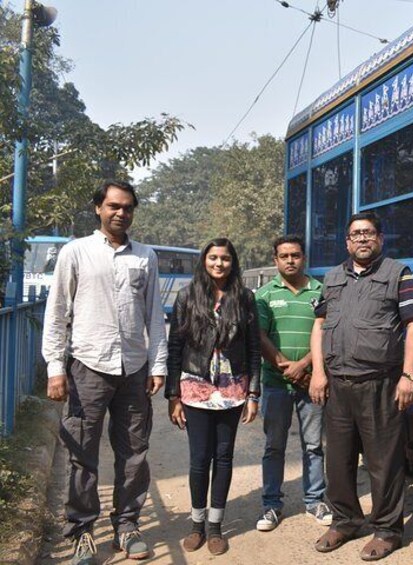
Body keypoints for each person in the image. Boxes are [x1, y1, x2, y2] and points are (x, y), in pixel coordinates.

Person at [42, 180, 167, 564]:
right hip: (87, 368)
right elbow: (57, 312)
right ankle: (81, 531)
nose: (121, 213)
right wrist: (55, 368)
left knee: (134, 453)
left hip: (132, 368)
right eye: (113, 206)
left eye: (128, 207)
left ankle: (126, 525)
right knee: (82, 452)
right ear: (98, 207)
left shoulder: (145, 256)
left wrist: (157, 364)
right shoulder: (76, 251)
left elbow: (154, 316)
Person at [310, 212, 413, 561]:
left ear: (380, 239)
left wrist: (408, 376)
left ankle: (387, 530)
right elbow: (319, 325)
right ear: (347, 242)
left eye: (368, 233)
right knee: (338, 461)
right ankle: (345, 521)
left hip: (379, 384)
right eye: (355, 234)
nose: (362, 239)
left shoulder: (398, 274)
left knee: (384, 463)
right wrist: (318, 371)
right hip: (338, 386)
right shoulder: (331, 278)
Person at [164, 238, 261, 556]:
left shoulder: (245, 298)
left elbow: (253, 348)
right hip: (195, 388)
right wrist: (173, 395)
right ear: (204, 261)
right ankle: (197, 526)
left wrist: (253, 393)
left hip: (233, 389)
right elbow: (175, 348)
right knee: (198, 459)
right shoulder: (187, 296)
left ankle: (217, 527)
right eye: (213, 258)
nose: (219, 264)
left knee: (224, 457)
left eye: (226, 259)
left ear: (233, 263)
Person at [254, 235, 331, 531]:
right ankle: (271, 505)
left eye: (295, 255)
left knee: (313, 445)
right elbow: (260, 337)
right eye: (284, 256)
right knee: (274, 446)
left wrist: (303, 366)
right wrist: (286, 367)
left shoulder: (320, 291)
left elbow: (325, 334)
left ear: (304, 258)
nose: (290, 260)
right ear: (275, 260)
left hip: (311, 383)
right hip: (276, 384)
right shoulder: (263, 294)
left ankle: (314, 500)